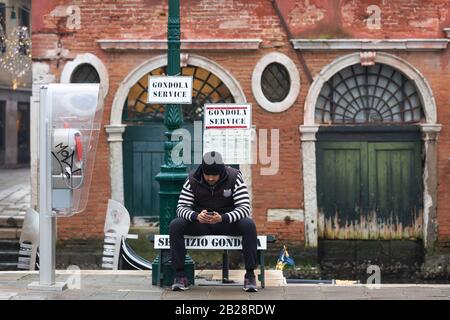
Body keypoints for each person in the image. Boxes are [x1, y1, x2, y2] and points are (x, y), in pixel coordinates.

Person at [169, 151, 258, 292]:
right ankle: (180, 275)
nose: (211, 178)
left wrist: (223, 218)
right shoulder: (192, 179)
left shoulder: (235, 177)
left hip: (226, 223)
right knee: (176, 225)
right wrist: (196, 216)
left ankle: (250, 275)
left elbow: (244, 208)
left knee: (248, 225)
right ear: (202, 171)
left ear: (222, 172)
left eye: (214, 175)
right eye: (207, 174)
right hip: (201, 224)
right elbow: (181, 208)